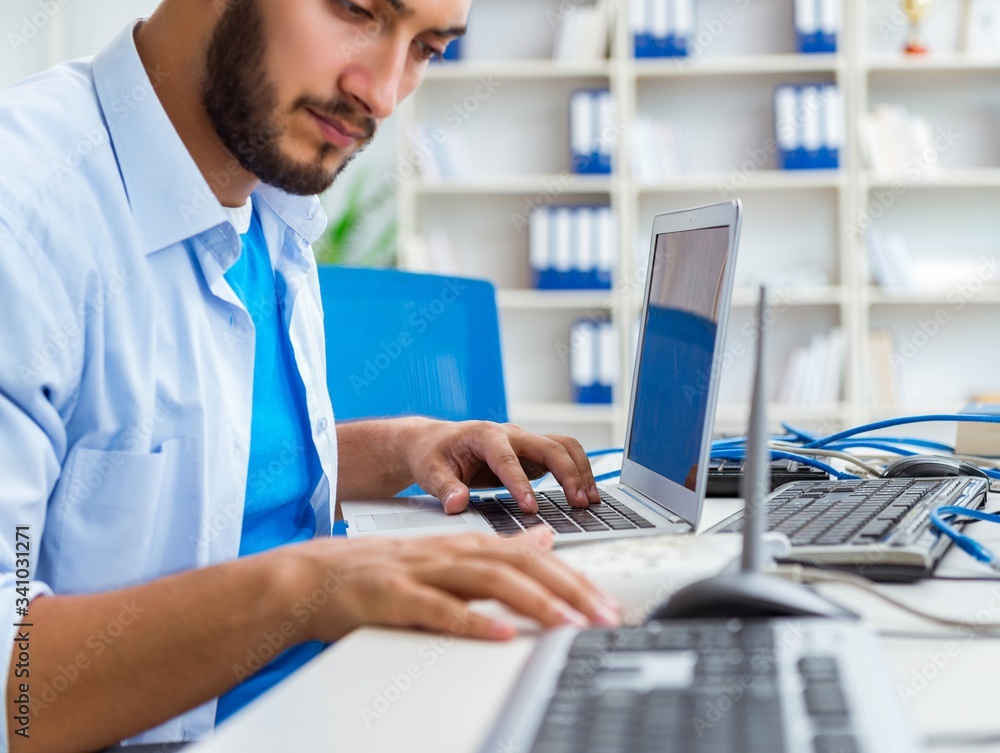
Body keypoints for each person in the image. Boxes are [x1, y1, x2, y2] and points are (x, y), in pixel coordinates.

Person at [0, 0, 618, 750]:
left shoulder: (269, 193)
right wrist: (306, 589)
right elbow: (13, 690)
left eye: (426, 47)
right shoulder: (25, 214)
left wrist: (405, 445)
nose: (383, 94)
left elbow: (205, 472)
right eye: (359, 10)